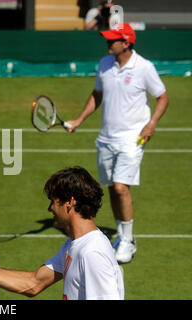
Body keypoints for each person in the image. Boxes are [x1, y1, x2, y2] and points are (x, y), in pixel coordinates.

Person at [65, 23, 169, 264]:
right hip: (106, 138)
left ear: (126, 43)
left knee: (121, 187)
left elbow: (162, 97)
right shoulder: (104, 64)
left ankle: (128, 240)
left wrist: (151, 123)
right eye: (108, 39)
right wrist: (79, 120)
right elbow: (97, 95)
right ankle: (121, 235)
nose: (108, 43)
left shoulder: (144, 67)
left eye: (113, 40)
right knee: (111, 187)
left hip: (133, 138)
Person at [0, 167, 125, 300]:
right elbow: (33, 283)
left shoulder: (92, 253)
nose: (50, 209)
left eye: (53, 202)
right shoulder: (74, 244)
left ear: (69, 202)